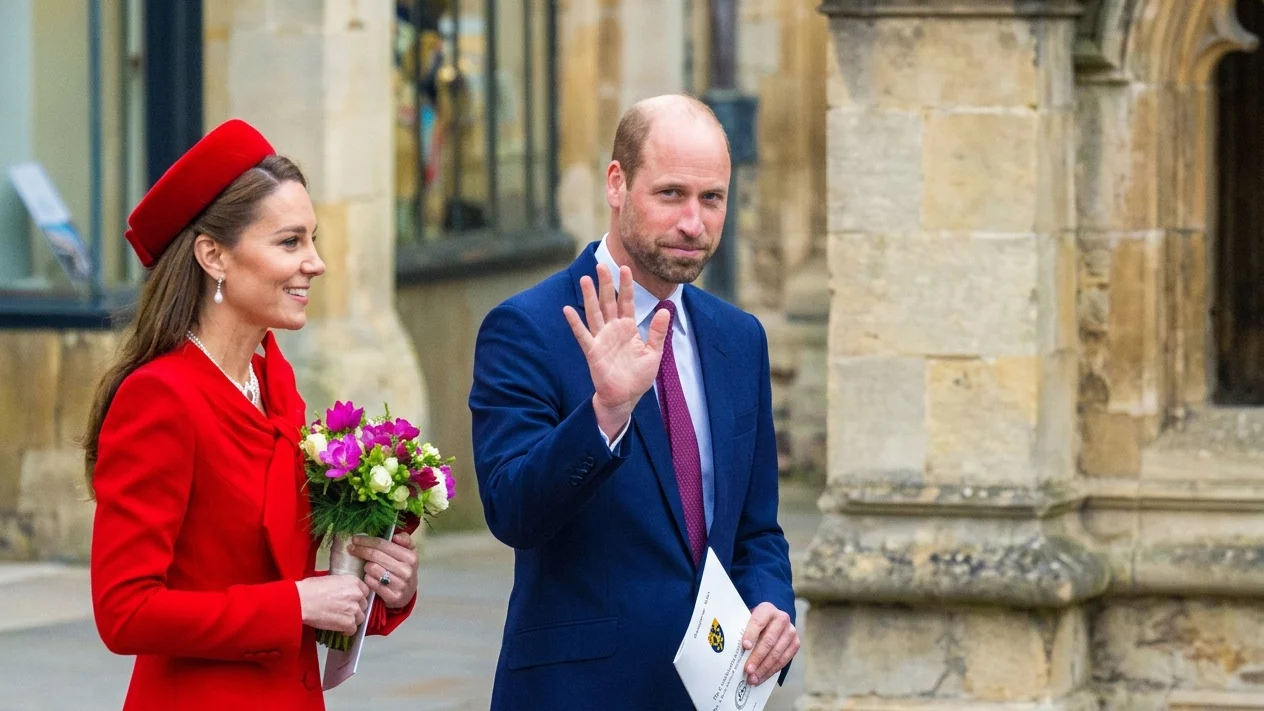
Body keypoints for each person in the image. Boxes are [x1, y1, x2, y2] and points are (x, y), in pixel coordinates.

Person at [469, 94, 799, 709]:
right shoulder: (528, 327)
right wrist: (605, 415)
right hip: (579, 692)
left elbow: (757, 531)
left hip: (713, 693)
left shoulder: (738, 338)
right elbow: (511, 512)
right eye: (671, 194)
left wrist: (771, 605)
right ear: (617, 184)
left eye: (712, 199)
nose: (694, 223)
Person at [85, 119, 420, 710]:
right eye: (290, 242)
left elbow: (279, 564)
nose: (314, 263)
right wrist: (293, 605)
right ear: (213, 255)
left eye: (312, 240)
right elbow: (124, 611)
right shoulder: (160, 396)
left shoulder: (272, 375)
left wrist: (376, 580)